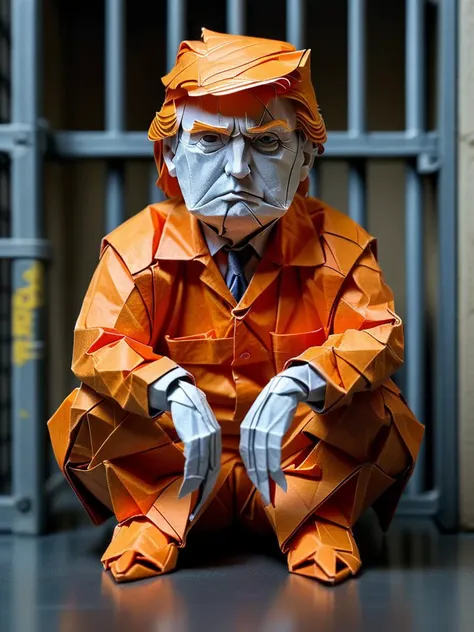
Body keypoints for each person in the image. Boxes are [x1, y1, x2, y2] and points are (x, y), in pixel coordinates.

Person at [48, 29, 424, 584]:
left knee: (382, 410)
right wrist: (168, 388)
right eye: (209, 142)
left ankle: (315, 519)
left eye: (268, 144)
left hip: (297, 473)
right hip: (177, 474)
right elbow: (98, 345)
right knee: (87, 410)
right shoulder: (136, 247)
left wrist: (303, 381)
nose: (238, 169)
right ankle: (152, 517)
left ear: (305, 159)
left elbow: (377, 333)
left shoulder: (338, 245)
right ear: (171, 155)